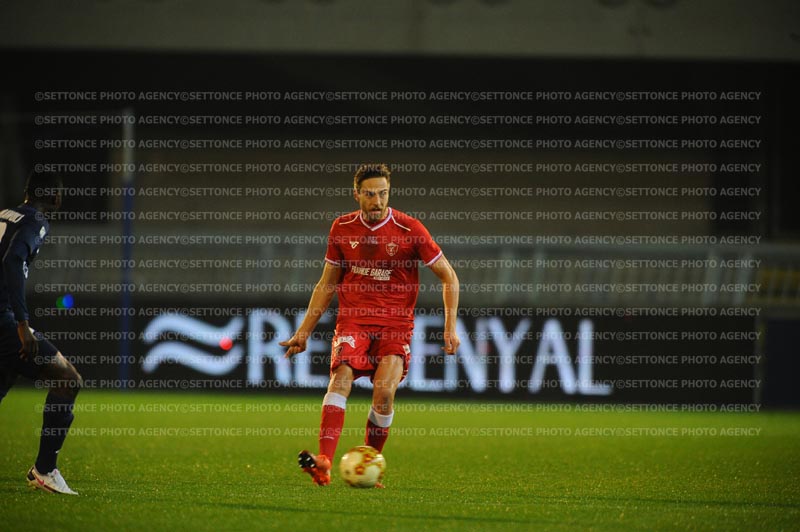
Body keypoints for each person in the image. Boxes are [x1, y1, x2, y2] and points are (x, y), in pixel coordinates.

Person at [280, 163, 460, 487]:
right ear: (357, 195)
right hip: (354, 321)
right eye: (370, 194)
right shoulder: (341, 228)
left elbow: (449, 276)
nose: (377, 201)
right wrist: (303, 332)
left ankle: (370, 461)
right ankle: (324, 462)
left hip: (396, 325)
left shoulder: (409, 229)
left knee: (384, 393)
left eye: (382, 194)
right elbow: (327, 283)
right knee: (340, 380)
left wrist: (450, 327)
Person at [0, 170, 82, 495]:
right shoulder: (37, 221)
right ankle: (44, 469)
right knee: (68, 379)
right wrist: (22, 325)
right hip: (4, 320)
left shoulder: (5, 214)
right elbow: (13, 260)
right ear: (55, 198)